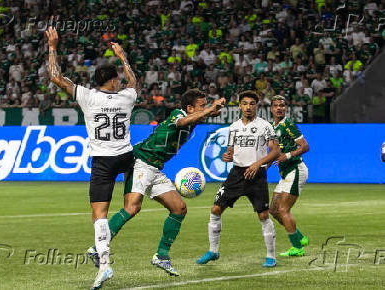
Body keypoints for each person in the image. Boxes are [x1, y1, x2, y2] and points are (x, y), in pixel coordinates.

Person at [88, 89, 226, 276]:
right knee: (132, 207)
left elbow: (199, 118)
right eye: (201, 105)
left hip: (155, 168)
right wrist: (209, 109)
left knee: (179, 208)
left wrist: (211, 110)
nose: (204, 108)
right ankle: (97, 248)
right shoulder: (178, 115)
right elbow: (184, 121)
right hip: (141, 162)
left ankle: (161, 256)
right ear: (189, 108)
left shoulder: (194, 119)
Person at [45, 20, 138, 290]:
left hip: (103, 161)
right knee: (132, 205)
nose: (119, 80)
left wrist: (53, 47)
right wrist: (123, 57)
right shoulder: (127, 97)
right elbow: (134, 81)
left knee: (99, 214)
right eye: (117, 77)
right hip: (127, 156)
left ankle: (105, 264)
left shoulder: (87, 97)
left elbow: (55, 77)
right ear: (112, 79)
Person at [197, 90, 281, 267]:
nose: (248, 107)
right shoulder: (234, 127)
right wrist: (227, 156)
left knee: (263, 215)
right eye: (245, 103)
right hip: (236, 174)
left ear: (257, 106)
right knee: (215, 210)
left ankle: (271, 256)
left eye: (252, 103)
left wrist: (258, 164)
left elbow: (275, 151)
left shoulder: (265, 126)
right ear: (239, 105)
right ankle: (213, 251)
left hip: (257, 175)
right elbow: (230, 151)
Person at [269, 95, 310, 257]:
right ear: (271, 109)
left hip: (296, 169)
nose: (280, 108)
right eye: (276, 106)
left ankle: (297, 248)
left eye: (282, 105)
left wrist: (286, 156)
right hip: (285, 173)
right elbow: (274, 152)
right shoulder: (272, 127)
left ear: (285, 108)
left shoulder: (288, 125)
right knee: (273, 210)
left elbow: (305, 146)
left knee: (283, 209)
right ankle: (300, 237)